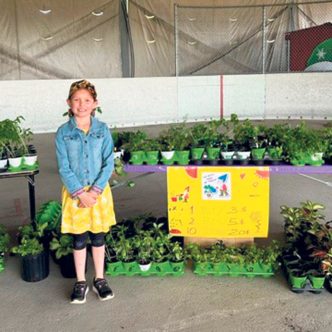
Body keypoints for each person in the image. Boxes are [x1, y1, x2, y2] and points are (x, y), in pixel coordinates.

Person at [55, 79, 116, 304]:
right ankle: (81, 281)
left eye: (87, 100)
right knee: (79, 238)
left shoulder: (102, 129)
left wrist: (95, 191)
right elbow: (64, 167)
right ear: (69, 103)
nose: (82, 105)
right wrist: (81, 193)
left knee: (98, 237)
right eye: (77, 100)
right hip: (75, 194)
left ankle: (99, 279)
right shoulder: (63, 133)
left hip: (99, 193)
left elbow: (108, 162)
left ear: (95, 103)